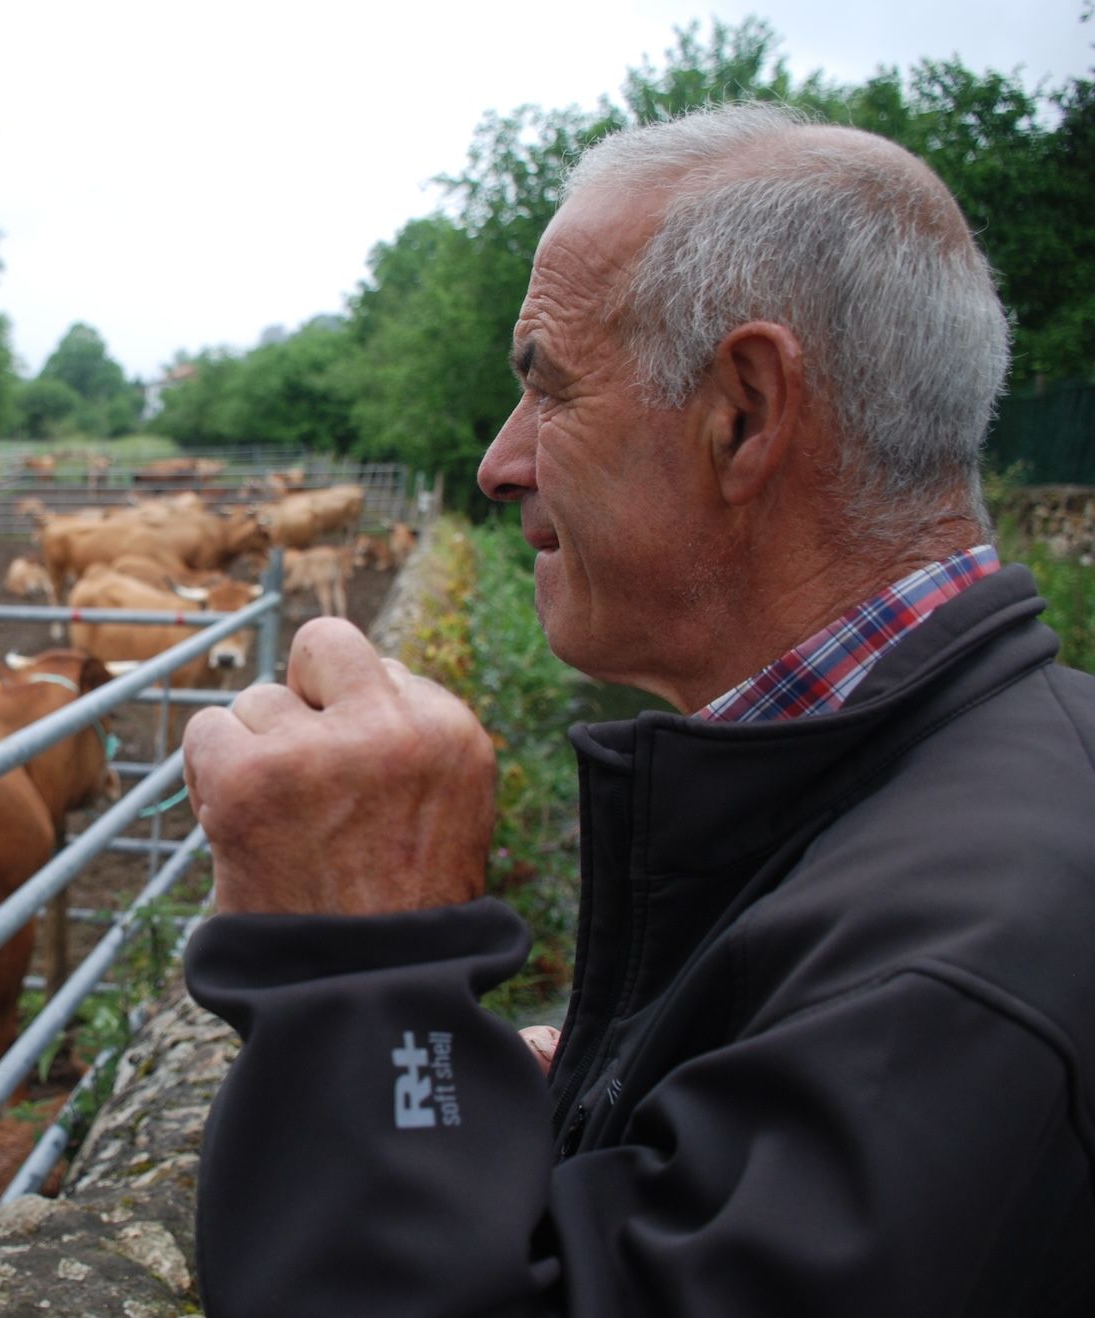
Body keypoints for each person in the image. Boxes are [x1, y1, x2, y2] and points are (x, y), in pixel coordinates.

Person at [180, 102, 1095, 1317]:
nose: (500, 464)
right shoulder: (935, 788)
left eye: (548, 391)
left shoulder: (946, 977)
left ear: (744, 412)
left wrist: (370, 968)